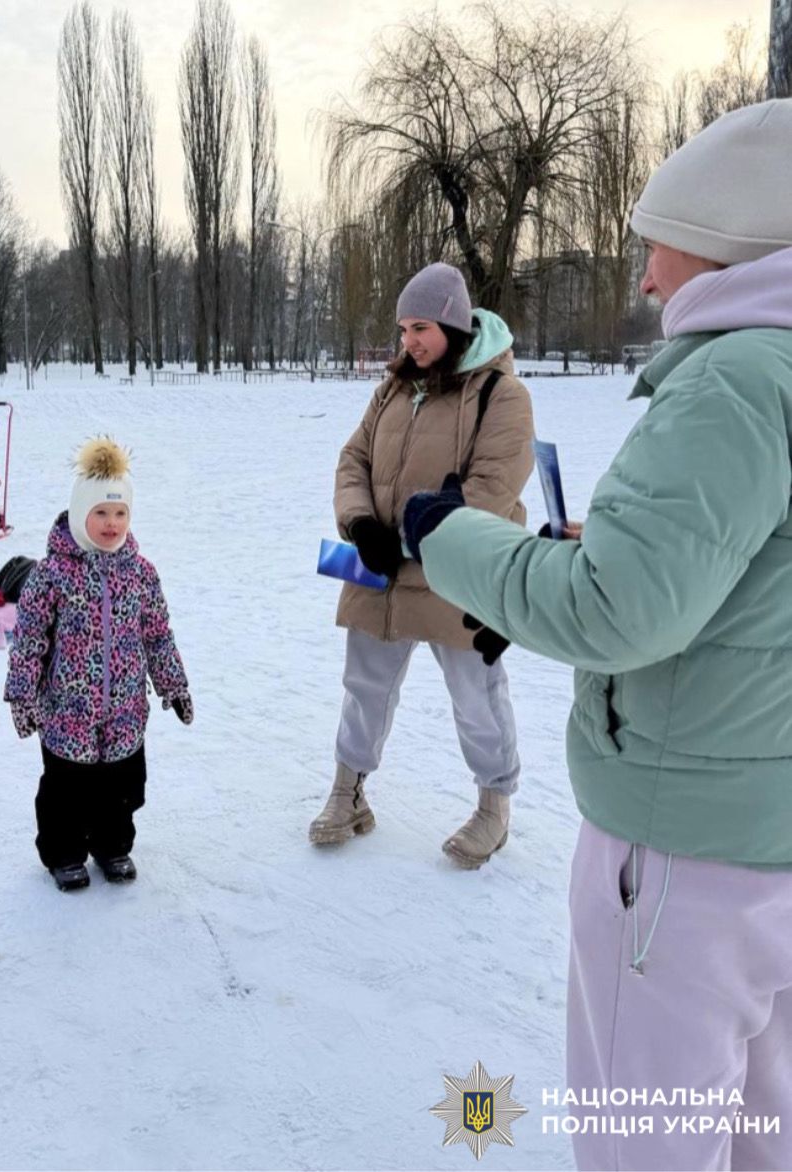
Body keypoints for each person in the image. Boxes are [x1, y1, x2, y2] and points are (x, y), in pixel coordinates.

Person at [404, 98, 792, 1170]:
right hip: (768, 824)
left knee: (650, 1145)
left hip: (687, 852)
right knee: (764, 1131)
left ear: (724, 239)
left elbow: (617, 611)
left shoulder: (734, 381)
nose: (649, 278)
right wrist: (621, 548)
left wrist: (452, 538)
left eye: (657, 243)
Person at [311, 263, 535, 868]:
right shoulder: (393, 389)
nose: (409, 341)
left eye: (421, 328)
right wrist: (361, 525)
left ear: (453, 325)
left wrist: (411, 537)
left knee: (476, 693)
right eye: (403, 328)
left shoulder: (500, 394)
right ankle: (348, 792)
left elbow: (493, 487)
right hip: (379, 570)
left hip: (460, 574)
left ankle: (494, 807)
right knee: (364, 688)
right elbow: (353, 460)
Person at [5, 438, 193, 891]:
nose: (112, 523)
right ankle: (64, 853)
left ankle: (113, 847)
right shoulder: (51, 575)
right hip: (67, 712)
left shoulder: (141, 573)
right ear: (79, 514)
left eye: (120, 513)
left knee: (121, 789)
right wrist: (22, 696)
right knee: (66, 791)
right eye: (102, 513)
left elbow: (157, 634)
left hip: (126, 709)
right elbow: (29, 641)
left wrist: (174, 685)